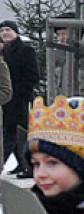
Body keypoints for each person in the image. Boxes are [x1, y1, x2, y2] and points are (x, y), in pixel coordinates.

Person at [1, 20, 40, 172]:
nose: (4, 33)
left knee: (15, 132)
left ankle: (27, 165)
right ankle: (22, 163)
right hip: (5, 99)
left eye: (8, 30)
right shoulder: (3, 52)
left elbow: (32, 75)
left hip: (19, 99)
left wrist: (21, 93)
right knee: (12, 132)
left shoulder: (25, 51)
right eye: (2, 30)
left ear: (16, 32)